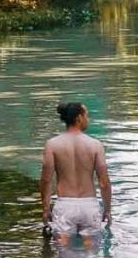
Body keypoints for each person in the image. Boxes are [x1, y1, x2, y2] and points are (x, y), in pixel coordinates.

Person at [40, 101, 112, 240]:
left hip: (65, 205)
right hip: (89, 205)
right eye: (87, 116)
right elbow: (104, 182)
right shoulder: (95, 145)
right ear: (79, 118)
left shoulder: (52, 144)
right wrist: (107, 210)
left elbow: (46, 180)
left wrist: (45, 208)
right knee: (91, 256)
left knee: (65, 256)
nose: (88, 120)